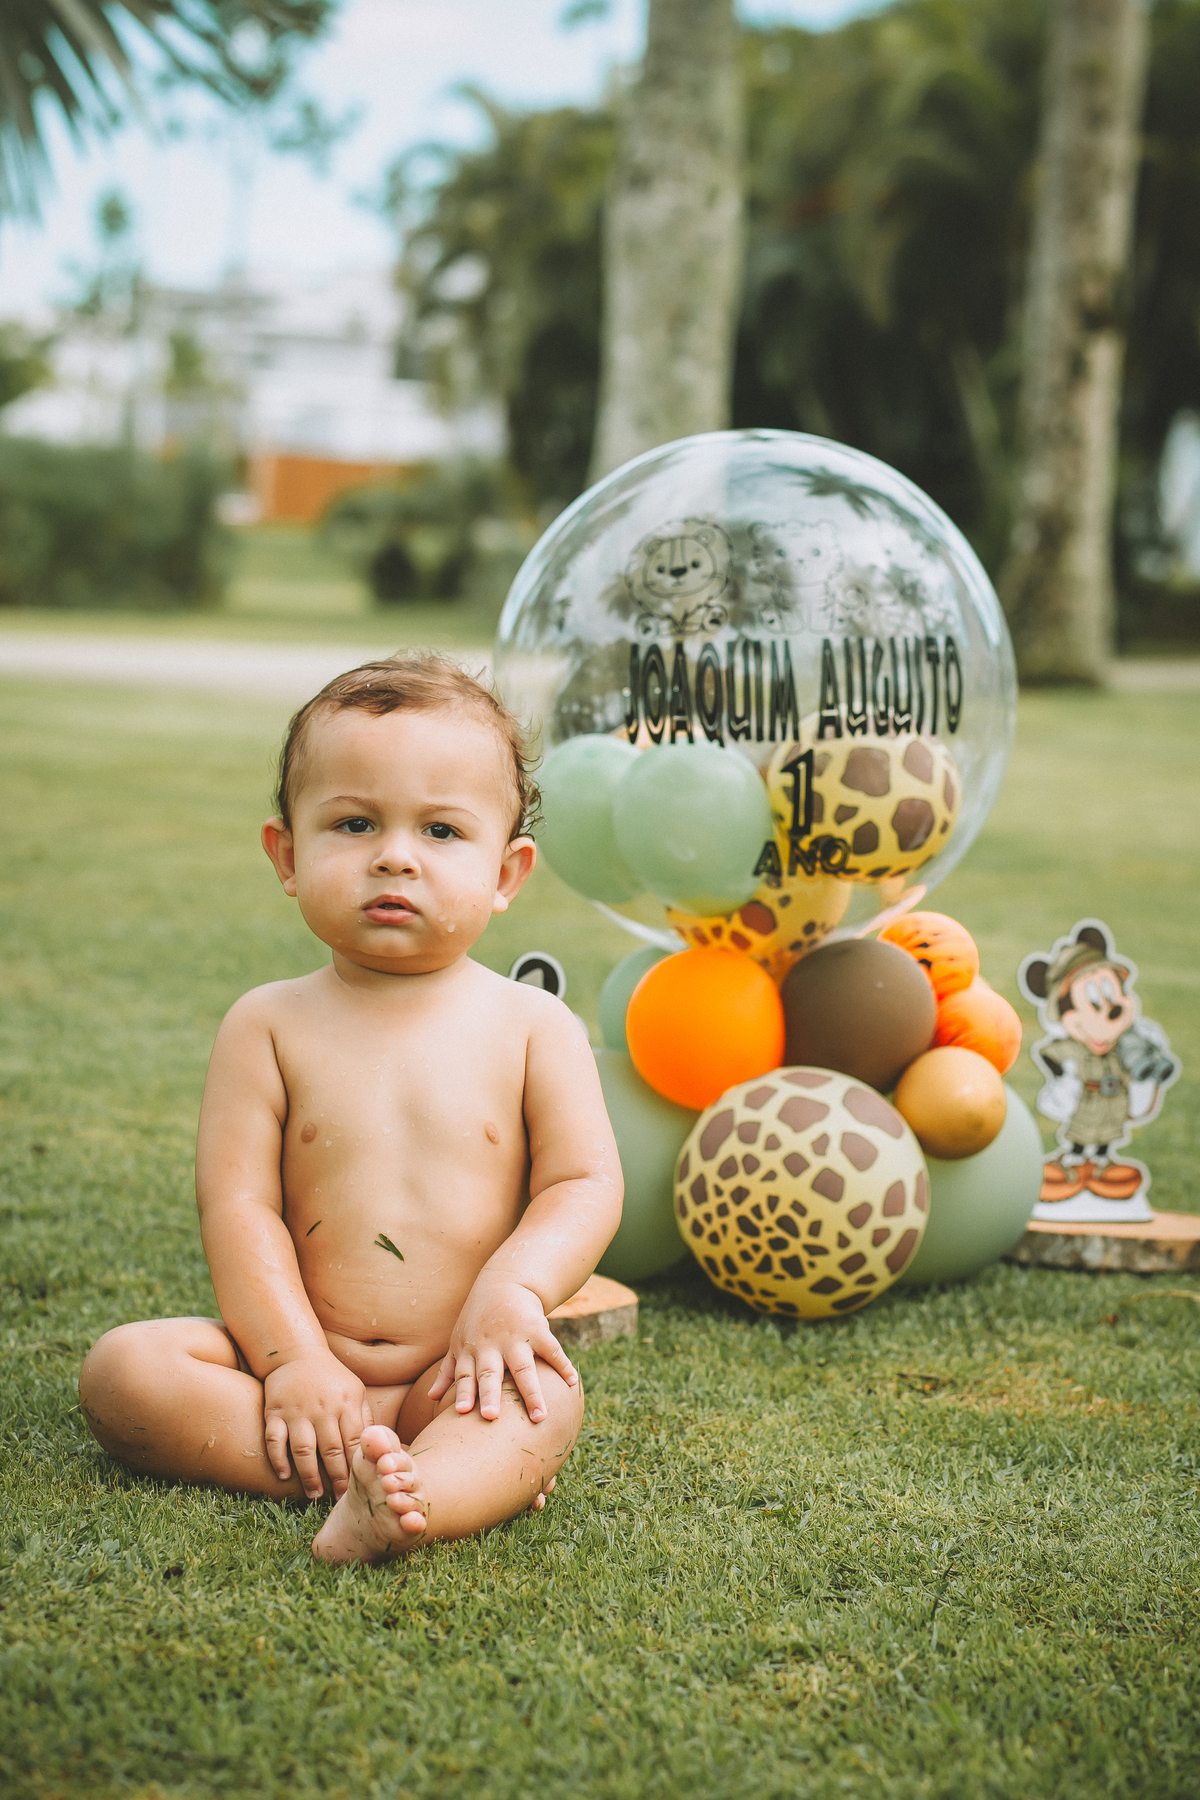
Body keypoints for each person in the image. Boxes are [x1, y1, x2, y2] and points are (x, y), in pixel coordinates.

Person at [79, 655, 623, 1564]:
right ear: (288, 855)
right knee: (126, 1371)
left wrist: (516, 1290)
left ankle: (415, 1491)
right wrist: (293, 1360)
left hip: (457, 1369)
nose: (395, 855)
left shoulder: (535, 1027)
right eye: (355, 823)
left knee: (545, 1400)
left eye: (442, 830)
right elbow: (239, 1206)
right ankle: (404, 1471)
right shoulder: (267, 1025)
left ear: (507, 871)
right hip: (295, 1360)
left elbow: (583, 1182)